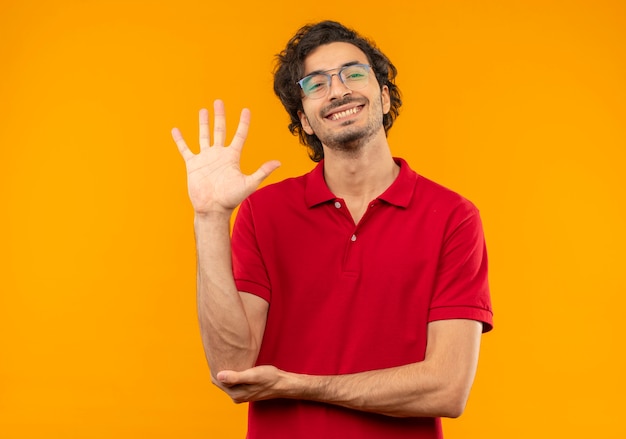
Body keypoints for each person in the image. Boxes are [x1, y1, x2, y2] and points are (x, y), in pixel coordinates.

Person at [172, 20, 493, 439]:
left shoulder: (453, 216)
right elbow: (232, 368)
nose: (339, 91)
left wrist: (302, 385)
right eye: (316, 84)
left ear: (382, 97)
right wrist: (210, 218)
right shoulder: (263, 212)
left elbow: (447, 389)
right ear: (304, 120)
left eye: (353, 73)